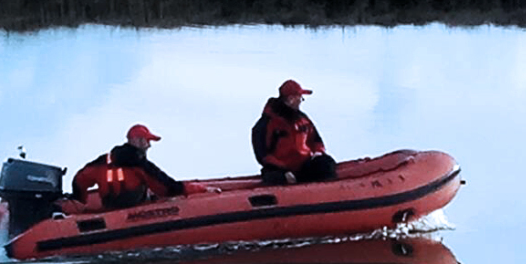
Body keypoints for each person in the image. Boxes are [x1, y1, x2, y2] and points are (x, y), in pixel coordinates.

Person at [71, 123, 216, 211]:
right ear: (138, 141)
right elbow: (168, 188)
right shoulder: (139, 164)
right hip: (134, 212)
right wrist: (201, 189)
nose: (149, 145)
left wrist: (80, 201)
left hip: (110, 208)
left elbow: (79, 180)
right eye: (147, 141)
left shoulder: (103, 161)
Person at [251, 80, 337, 185]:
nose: (301, 101)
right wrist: (283, 169)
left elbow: (316, 141)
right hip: (279, 170)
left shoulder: (303, 120)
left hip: (304, 166)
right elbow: (263, 154)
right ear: (291, 99)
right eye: (300, 98)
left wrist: (318, 153)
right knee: (275, 178)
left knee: (326, 164)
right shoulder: (267, 124)